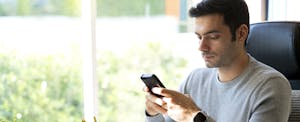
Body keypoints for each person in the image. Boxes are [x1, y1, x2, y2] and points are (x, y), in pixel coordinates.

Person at [143, 0, 292, 122]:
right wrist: (153, 112)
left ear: (241, 33)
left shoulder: (272, 86)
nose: (202, 47)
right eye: (199, 37)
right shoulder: (194, 80)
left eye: (213, 37)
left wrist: (195, 117)